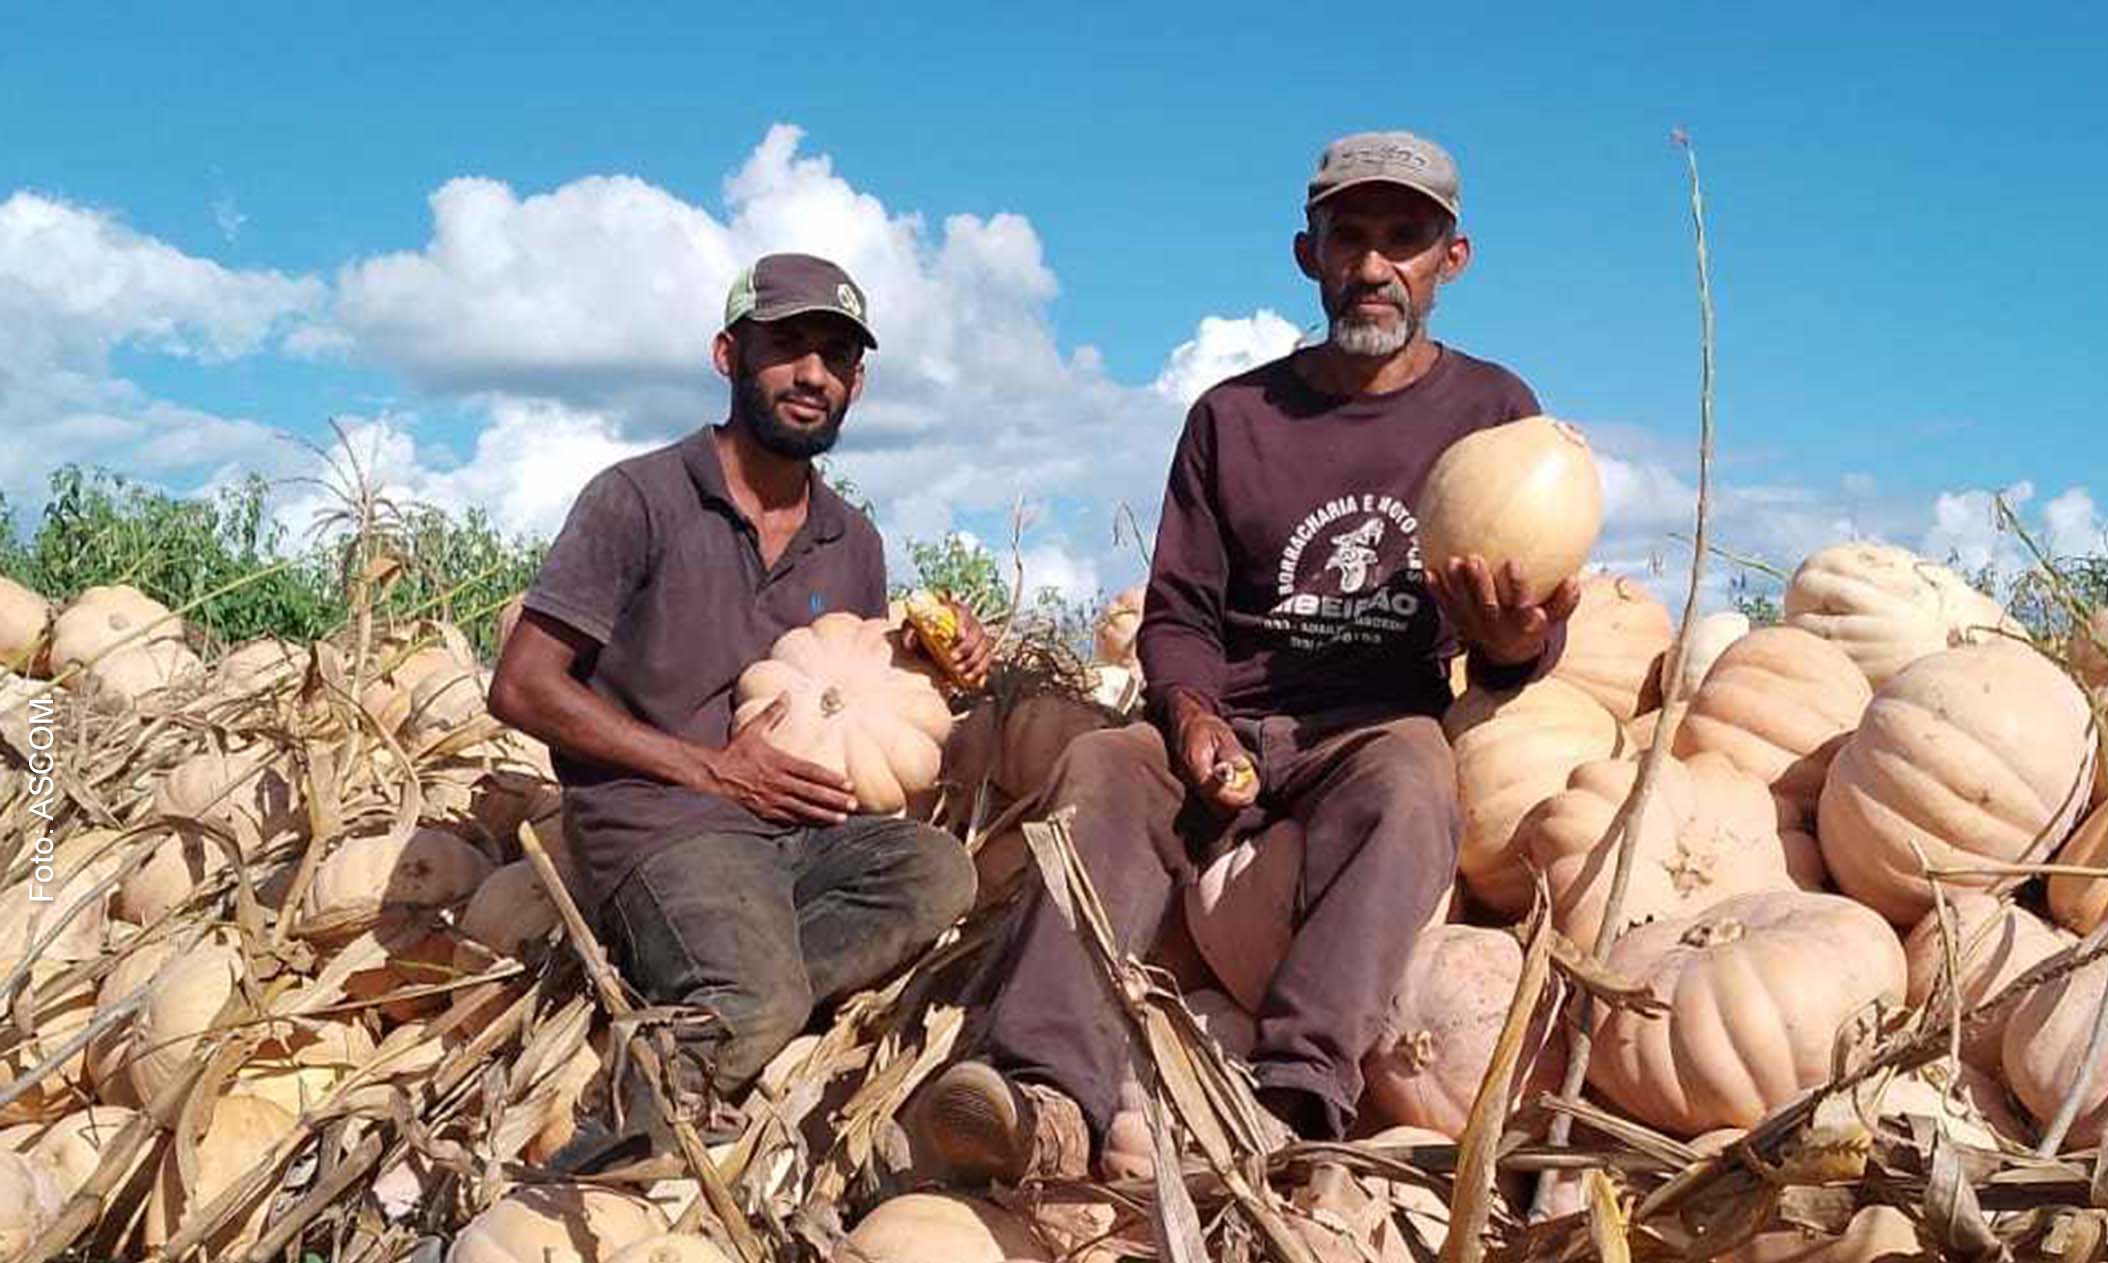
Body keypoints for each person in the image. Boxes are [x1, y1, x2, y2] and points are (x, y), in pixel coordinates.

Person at [905, 132, 1582, 1182]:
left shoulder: (1493, 414)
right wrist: (1191, 715)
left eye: (1405, 240)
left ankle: (1293, 1094)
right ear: (1308, 253)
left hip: (1368, 726)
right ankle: (1043, 1098)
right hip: (1227, 720)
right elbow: (1178, 613)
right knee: (1102, 766)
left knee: (1414, 782)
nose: (1373, 266)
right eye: (1348, 238)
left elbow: (1521, 628)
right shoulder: (1233, 418)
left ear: (1452, 260)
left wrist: (1513, 648)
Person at [489, 253, 981, 1153]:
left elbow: (848, 696)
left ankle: (738, 978)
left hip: (796, 832)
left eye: (836, 357)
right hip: (662, 821)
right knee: (757, 998)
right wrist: (713, 771)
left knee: (940, 872)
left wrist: (929, 662)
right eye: (787, 347)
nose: (812, 374)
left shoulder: (853, 541)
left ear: (858, 383)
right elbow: (521, 685)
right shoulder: (637, 499)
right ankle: (609, 1146)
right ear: (728, 355)